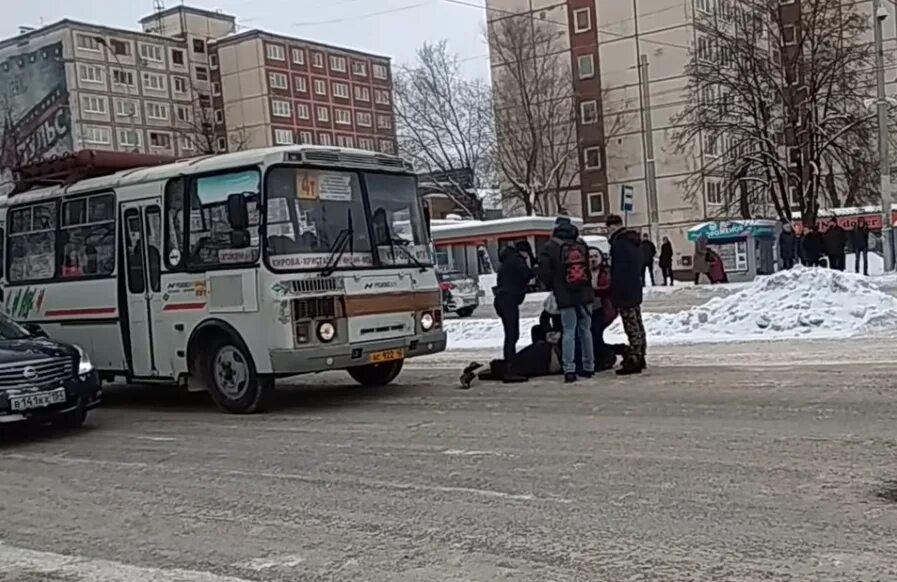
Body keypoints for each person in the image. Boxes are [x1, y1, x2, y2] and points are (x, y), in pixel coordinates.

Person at [537, 217, 595, 383]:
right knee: (586, 330)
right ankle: (589, 366)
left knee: (569, 331)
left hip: (565, 294)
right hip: (585, 293)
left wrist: (553, 286)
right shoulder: (581, 244)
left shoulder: (550, 247)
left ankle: (569, 369)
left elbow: (545, 272)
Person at [605, 214, 646, 375]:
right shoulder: (633, 241)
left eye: (608, 227)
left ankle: (634, 359)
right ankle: (640, 355)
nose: (608, 231)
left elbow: (619, 271)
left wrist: (615, 292)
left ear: (613, 226)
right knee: (637, 323)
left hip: (625, 290)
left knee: (631, 325)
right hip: (635, 287)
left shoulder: (619, 244)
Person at [492, 243, 532, 383]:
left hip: (502, 300)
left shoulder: (507, 261)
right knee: (512, 335)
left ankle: (510, 366)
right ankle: (510, 370)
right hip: (508, 301)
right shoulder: (517, 260)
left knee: (510, 335)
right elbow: (527, 274)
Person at [589, 247, 619, 370]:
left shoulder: (606, 272)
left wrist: (593, 292)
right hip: (588, 309)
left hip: (603, 308)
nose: (593, 260)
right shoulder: (582, 272)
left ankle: (603, 357)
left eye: (595, 256)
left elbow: (608, 288)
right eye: (590, 257)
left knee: (596, 331)